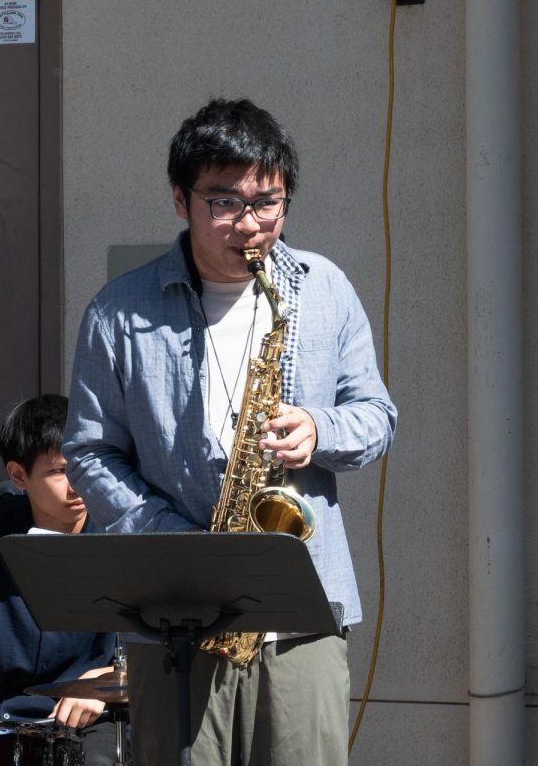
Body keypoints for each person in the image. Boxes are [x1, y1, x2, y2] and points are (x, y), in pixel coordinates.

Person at [63, 98, 397, 766]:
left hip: (302, 614)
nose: (251, 225)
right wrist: (177, 544)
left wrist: (318, 428)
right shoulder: (118, 312)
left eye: (268, 202)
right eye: (225, 202)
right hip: (174, 618)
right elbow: (90, 452)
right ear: (180, 200)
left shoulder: (322, 287)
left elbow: (377, 416)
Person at [0, 394, 119, 765]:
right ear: (18, 475)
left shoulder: (120, 530)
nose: (77, 484)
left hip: (98, 720)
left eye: (82, 466)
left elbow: (148, 651)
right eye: (58, 471)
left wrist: (102, 684)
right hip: (7, 717)